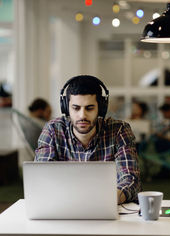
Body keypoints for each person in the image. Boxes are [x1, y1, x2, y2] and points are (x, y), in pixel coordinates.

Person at [35, 75, 141, 204]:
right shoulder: (52, 130)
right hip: (64, 206)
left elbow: (131, 180)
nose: (82, 115)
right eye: (76, 108)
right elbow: (42, 179)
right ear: (66, 108)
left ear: (101, 108)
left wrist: (107, 199)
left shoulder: (119, 130)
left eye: (89, 108)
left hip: (108, 206)